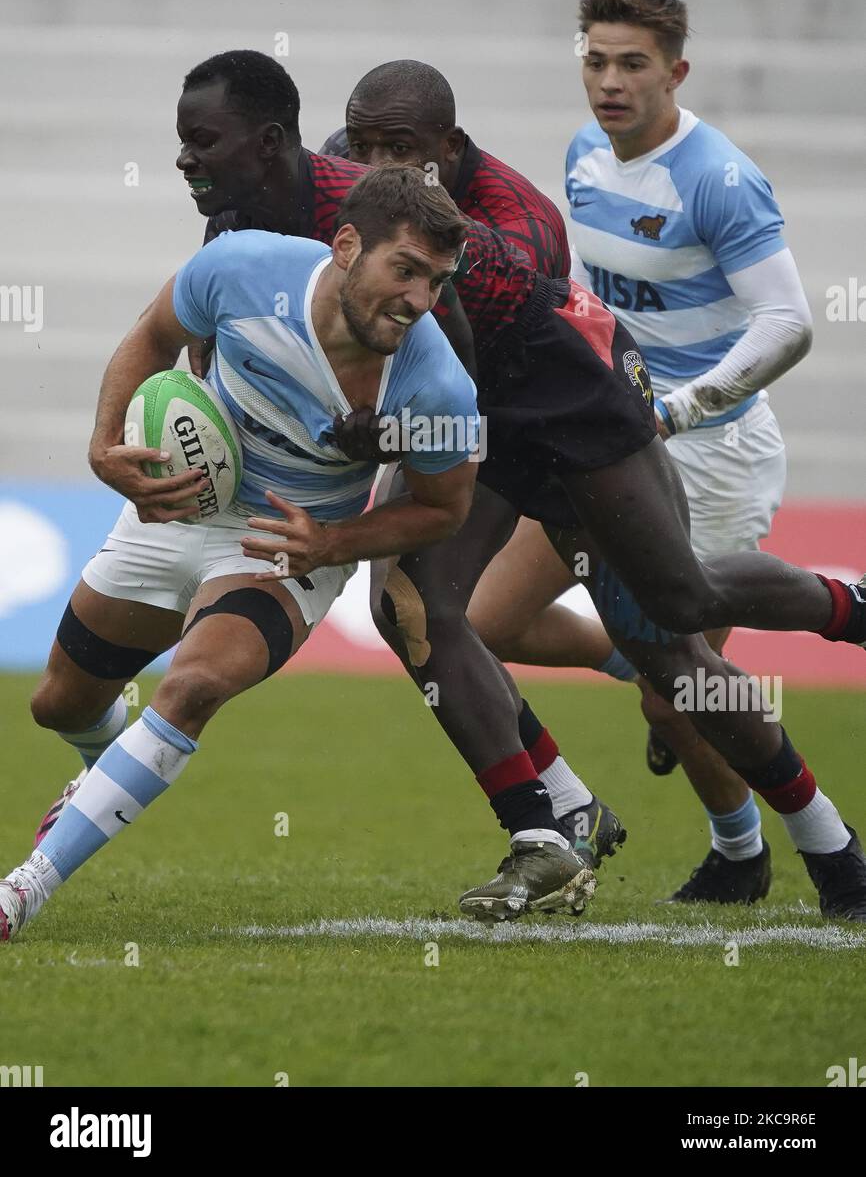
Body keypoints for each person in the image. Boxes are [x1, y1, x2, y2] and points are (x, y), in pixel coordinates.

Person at [2, 166, 591, 942]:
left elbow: (444, 509)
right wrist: (105, 443)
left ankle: (23, 889)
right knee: (59, 705)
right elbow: (152, 336)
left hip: (285, 546)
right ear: (347, 246)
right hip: (178, 507)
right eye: (404, 270)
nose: (418, 300)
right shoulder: (242, 269)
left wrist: (334, 543)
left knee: (195, 686)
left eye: (434, 281)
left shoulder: (436, 384)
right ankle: (105, 764)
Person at [468, 0, 818, 905]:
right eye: (595, 60)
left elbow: (787, 323)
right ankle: (633, 657)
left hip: (711, 451)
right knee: (482, 624)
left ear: (676, 72)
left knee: (685, 696)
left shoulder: (719, 177)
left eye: (632, 64)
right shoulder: (586, 153)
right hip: (611, 436)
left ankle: (744, 852)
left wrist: (681, 406)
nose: (609, 80)